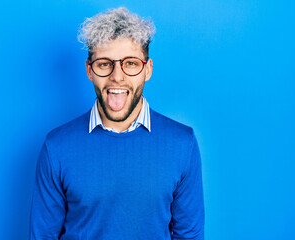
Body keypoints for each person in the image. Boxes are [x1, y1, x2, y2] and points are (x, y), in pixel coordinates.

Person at [30, 7, 204, 240]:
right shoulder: (57, 147)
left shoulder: (182, 144)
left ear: (147, 69)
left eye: (130, 63)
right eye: (104, 64)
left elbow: (189, 236)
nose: (117, 76)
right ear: (89, 70)